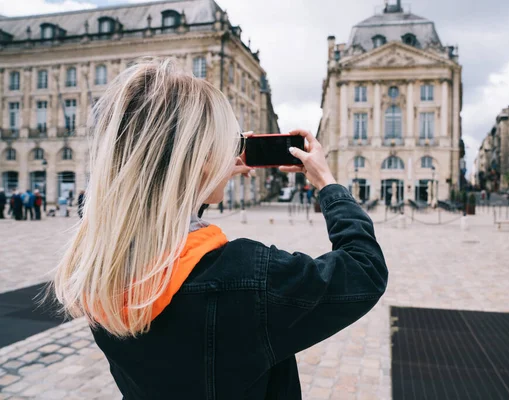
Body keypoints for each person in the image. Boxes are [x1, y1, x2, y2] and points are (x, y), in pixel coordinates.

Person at [50, 59, 388, 400]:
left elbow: (165, 220)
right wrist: (327, 183)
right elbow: (364, 270)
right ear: (200, 159)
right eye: (222, 144)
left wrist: (206, 180)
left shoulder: (98, 267)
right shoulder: (248, 277)